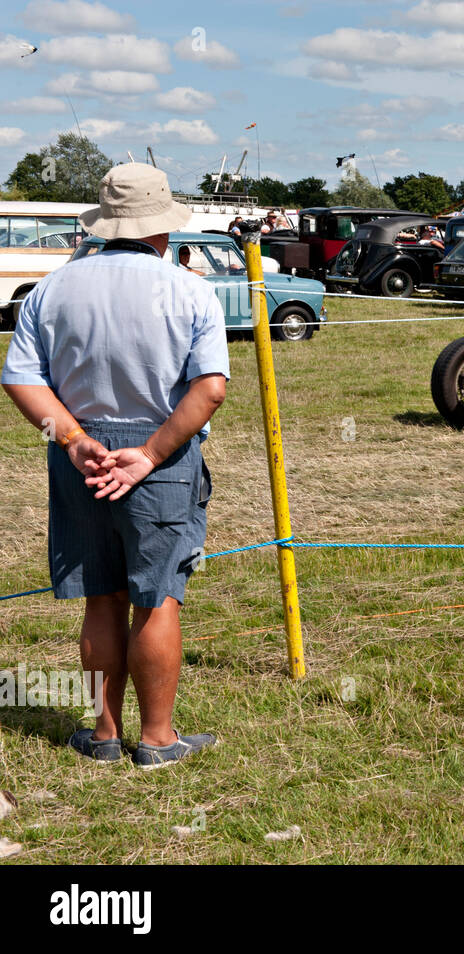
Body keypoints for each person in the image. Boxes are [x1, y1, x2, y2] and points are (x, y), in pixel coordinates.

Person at [1, 163, 229, 768]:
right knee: (156, 599)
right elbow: (209, 390)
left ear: (103, 222)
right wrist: (151, 454)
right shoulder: (188, 288)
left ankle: (103, 734)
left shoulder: (53, 286)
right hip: (164, 455)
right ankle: (156, 740)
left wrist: (74, 440)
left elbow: (21, 378)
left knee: (100, 598)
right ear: (163, 228)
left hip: (79, 458)